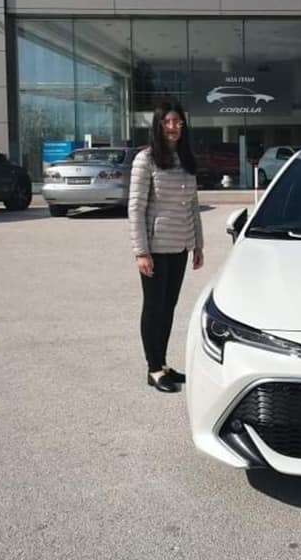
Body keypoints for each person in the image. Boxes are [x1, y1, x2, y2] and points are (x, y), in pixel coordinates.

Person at [129, 100, 204, 393]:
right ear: (159, 125)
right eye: (168, 122)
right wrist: (141, 251)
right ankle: (153, 368)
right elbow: (136, 208)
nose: (174, 127)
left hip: (180, 245)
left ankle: (162, 363)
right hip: (156, 248)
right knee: (153, 306)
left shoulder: (185, 160)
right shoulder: (145, 160)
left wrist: (197, 244)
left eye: (178, 122)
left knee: (168, 306)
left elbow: (193, 205)